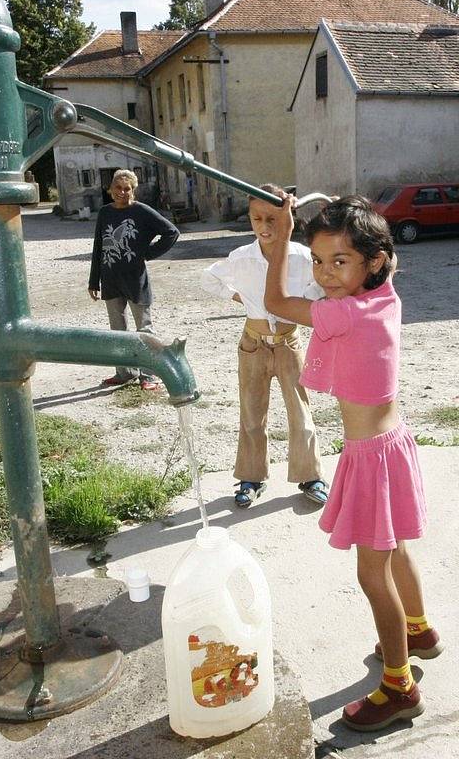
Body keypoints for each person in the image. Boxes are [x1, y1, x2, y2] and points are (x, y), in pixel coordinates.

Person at [264, 194, 442, 732]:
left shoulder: (341, 314)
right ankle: (419, 631)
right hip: (394, 443)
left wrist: (282, 242)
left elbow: (274, 301)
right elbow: (350, 263)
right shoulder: (385, 297)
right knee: (396, 550)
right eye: (316, 261)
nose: (324, 274)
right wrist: (327, 224)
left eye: (339, 261)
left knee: (371, 574)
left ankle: (398, 687)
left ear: (375, 261)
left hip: (371, 457)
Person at [201, 183, 328, 508]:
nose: (265, 226)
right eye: (258, 218)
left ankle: (310, 476)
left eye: (274, 219)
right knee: (252, 413)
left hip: (289, 343)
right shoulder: (241, 258)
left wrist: (302, 303)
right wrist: (241, 297)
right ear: (250, 218)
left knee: (300, 412)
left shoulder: (301, 257)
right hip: (253, 345)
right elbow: (208, 279)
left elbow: (319, 285)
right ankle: (251, 479)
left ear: (288, 219)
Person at [88, 169, 179, 390]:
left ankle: (149, 375)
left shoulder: (142, 212)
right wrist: (93, 281)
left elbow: (171, 232)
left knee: (144, 330)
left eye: (126, 188)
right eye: (117, 188)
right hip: (110, 280)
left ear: (133, 190)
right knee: (118, 331)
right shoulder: (105, 213)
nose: (122, 192)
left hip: (136, 281)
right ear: (110, 190)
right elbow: (99, 247)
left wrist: (147, 253)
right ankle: (125, 372)